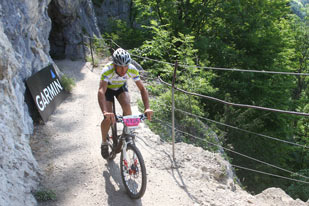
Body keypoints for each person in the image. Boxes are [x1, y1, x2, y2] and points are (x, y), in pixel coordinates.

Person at [98, 48, 153, 159]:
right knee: (108, 118)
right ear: (114, 65)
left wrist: (147, 108)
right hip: (108, 89)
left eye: (125, 66)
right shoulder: (107, 70)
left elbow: (142, 89)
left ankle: (127, 134)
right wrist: (105, 112)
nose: (123, 70)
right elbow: (101, 91)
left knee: (127, 108)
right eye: (120, 67)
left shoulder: (132, 69)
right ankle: (104, 142)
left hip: (120, 87)